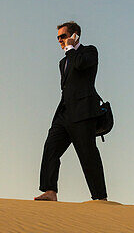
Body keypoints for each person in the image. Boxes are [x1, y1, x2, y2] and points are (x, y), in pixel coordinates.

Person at [35, 21, 108, 201]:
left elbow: (81, 65)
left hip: (83, 113)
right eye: (58, 37)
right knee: (50, 148)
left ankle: (100, 198)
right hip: (64, 113)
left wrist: (71, 49)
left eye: (64, 36)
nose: (60, 40)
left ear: (75, 36)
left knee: (88, 155)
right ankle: (50, 191)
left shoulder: (89, 51)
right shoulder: (63, 62)